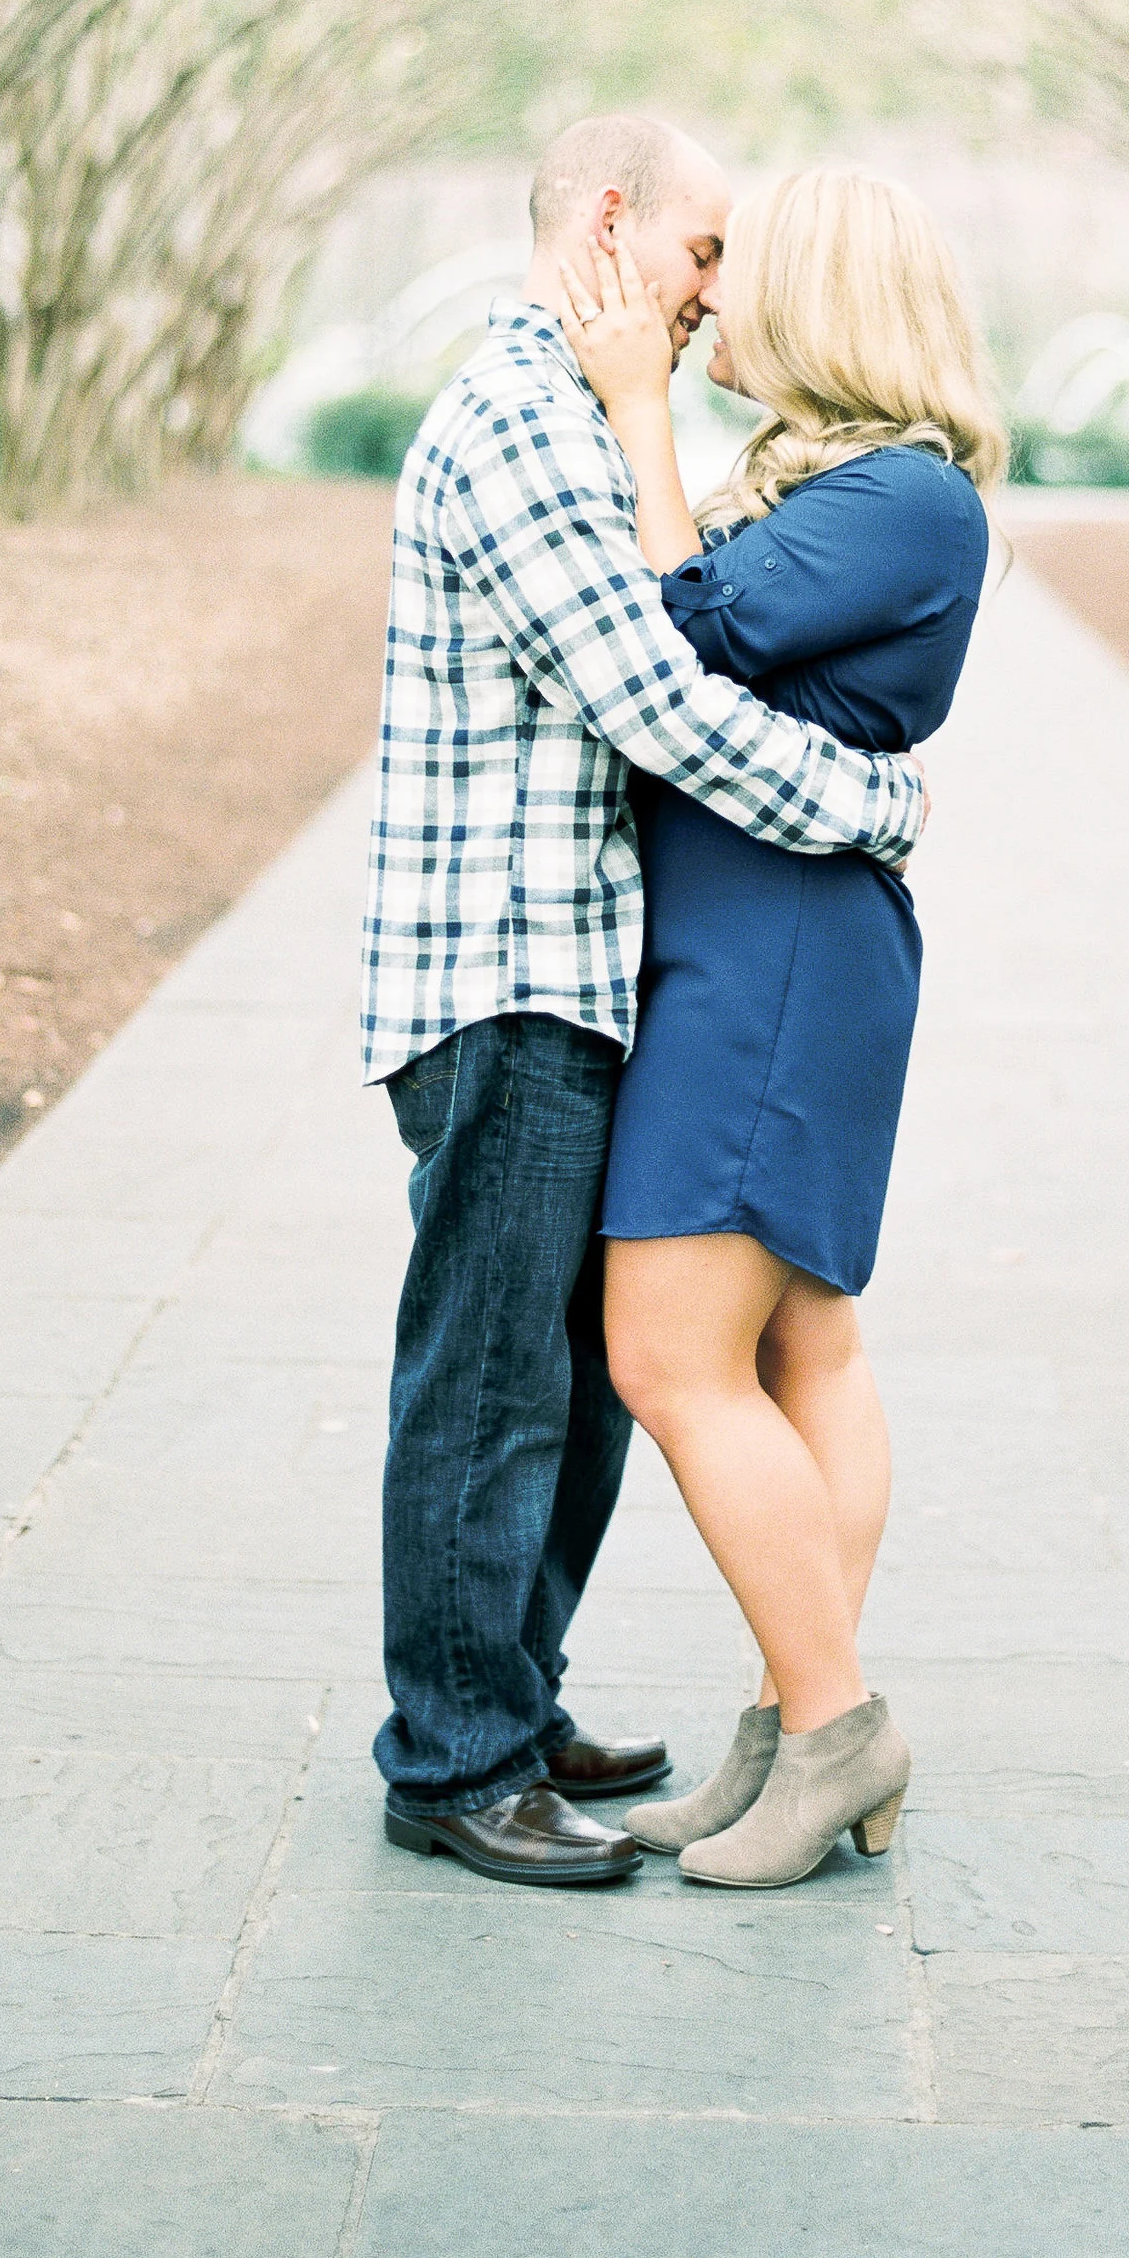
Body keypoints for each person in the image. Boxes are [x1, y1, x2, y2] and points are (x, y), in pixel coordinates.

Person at [360, 115, 929, 1888]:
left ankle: (508, 1702)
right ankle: (456, 1757)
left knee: (571, 1382)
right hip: (509, 976)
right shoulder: (527, 417)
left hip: (575, 969)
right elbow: (653, 699)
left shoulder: (573, 409)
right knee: (492, 1384)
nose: (710, 296)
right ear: (609, 223)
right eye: (699, 255)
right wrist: (874, 805)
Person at [554, 165, 1001, 1889]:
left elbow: (691, 638)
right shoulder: (846, 483)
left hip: (778, 958)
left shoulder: (908, 498)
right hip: (754, 937)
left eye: (741, 269)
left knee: (669, 1354)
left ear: (826, 296)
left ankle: (836, 1726)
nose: (707, 293)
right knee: (804, 1350)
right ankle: (784, 1729)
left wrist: (641, 413)